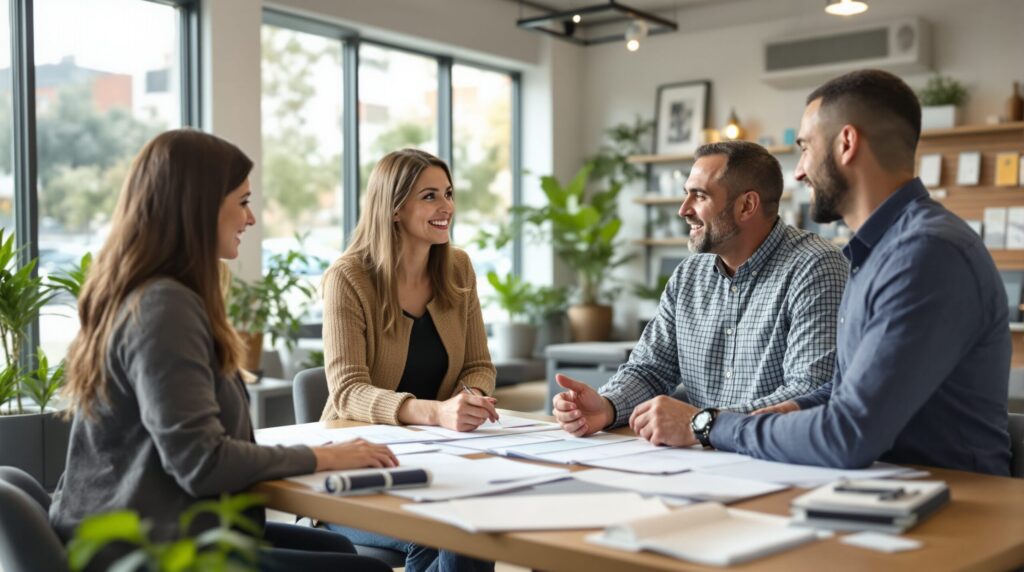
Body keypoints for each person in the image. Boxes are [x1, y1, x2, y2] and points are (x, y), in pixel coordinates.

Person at [50, 129, 397, 571]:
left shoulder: (145, 294)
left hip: (143, 524)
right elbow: (203, 461)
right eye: (244, 201)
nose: (251, 220)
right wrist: (327, 455)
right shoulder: (163, 305)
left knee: (339, 551)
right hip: (142, 550)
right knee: (364, 569)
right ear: (199, 207)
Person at [670, 70, 1011, 476]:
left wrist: (708, 425)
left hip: (956, 506)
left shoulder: (926, 253)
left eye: (805, 148)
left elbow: (848, 434)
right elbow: (850, 389)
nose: (798, 172)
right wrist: (790, 410)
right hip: (878, 487)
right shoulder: (878, 251)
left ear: (846, 144)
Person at [554, 140, 848, 443]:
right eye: (686, 194)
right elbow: (650, 369)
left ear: (747, 205)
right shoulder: (688, 276)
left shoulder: (816, 267)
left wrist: (702, 424)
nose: (683, 210)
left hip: (777, 461)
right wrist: (607, 406)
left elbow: (810, 391)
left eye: (700, 196)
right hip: (698, 463)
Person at [320, 148, 496, 572]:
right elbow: (347, 391)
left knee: (477, 526)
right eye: (430, 196)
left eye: (449, 194)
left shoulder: (458, 268)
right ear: (395, 209)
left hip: (438, 464)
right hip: (359, 477)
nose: (447, 207)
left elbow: (479, 365)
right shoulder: (349, 277)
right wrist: (434, 412)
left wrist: (467, 401)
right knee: (450, 533)